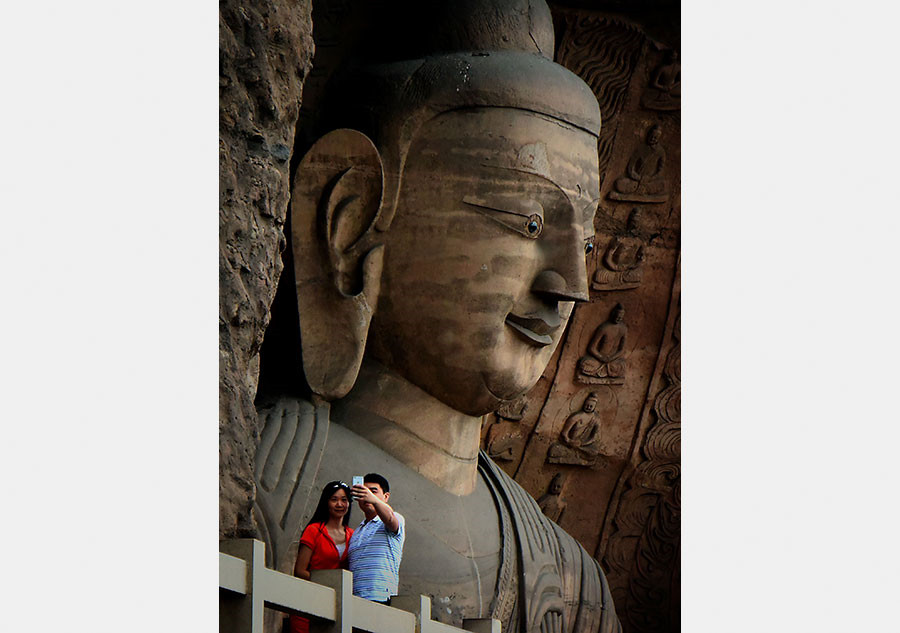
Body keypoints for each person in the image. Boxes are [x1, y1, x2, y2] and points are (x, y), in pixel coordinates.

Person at [252, 1, 622, 631]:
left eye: (584, 242)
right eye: (527, 222)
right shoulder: (258, 484)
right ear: (350, 222)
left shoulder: (568, 577)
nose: (573, 286)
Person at [289, 481, 355, 633]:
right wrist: (327, 586)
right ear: (326, 502)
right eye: (334, 499)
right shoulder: (314, 530)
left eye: (344, 500)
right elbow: (299, 570)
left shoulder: (353, 535)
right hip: (308, 601)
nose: (339, 504)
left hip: (337, 606)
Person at [346, 473, 405, 605]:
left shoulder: (395, 518)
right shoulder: (356, 532)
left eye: (373, 491)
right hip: (354, 599)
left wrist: (373, 499)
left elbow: (390, 519)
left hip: (380, 598)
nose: (368, 496)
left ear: (386, 496)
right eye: (364, 491)